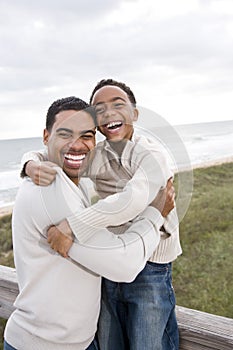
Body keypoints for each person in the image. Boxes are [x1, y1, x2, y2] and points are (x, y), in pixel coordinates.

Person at [4, 97, 174, 350]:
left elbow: (133, 193)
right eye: (64, 134)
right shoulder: (48, 190)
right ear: (46, 135)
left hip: (77, 341)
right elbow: (124, 266)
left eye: (86, 135)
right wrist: (156, 213)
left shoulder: (73, 177)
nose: (77, 145)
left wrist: (29, 162)